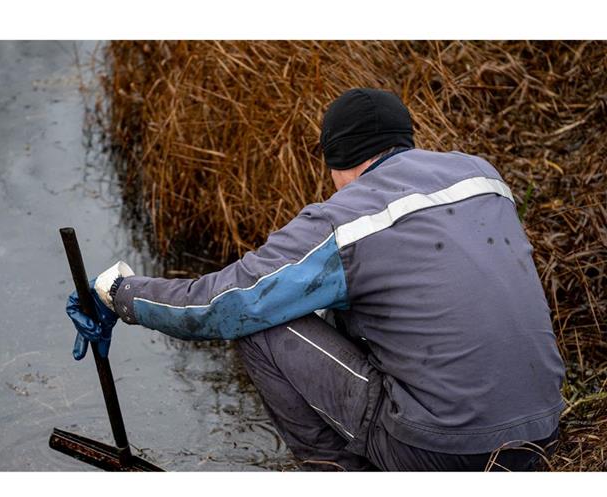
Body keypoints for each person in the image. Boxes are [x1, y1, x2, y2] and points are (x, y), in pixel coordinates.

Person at [66, 88, 565, 471]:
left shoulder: (345, 219)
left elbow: (223, 305)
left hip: (444, 453)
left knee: (260, 323)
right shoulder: (482, 177)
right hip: (541, 433)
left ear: (335, 158)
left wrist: (120, 294)